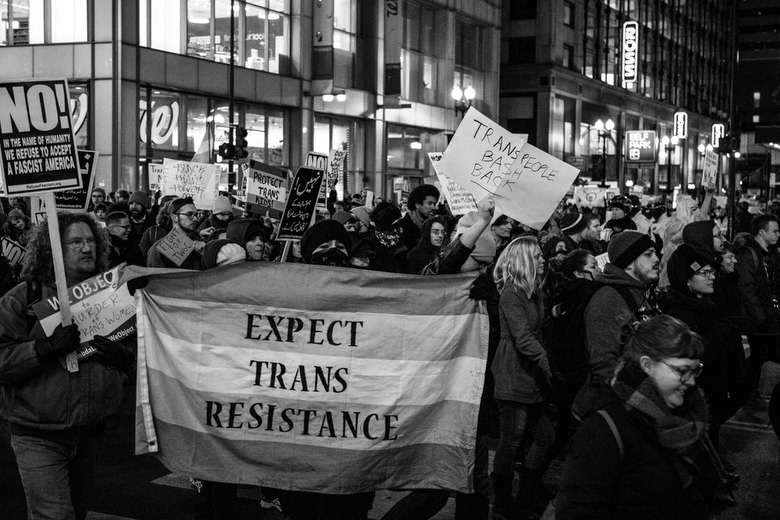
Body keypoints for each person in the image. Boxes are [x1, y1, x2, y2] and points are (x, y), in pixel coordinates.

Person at [0, 213, 134, 520]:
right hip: (38, 435)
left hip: (91, 434)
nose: (86, 248)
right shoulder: (23, 299)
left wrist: (122, 357)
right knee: (55, 516)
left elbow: (135, 354)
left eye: (90, 241)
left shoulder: (111, 297)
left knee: (77, 513)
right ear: (53, 249)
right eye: (75, 241)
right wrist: (44, 349)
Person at [556, 316, 735, 520]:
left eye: (696, 370)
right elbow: (576, 510)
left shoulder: (683, 416)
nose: (692, 382)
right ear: (647, 365)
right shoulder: (605, 428)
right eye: (683, 371)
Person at [490, 236, 556, 520]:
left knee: (545, 435)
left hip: (532, 372)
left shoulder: (533, 290)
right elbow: (522, 336)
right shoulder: (512, 293)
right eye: (539, 256)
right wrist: (546, 361)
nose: (544, 260)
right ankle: (503, 502)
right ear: (526, 259)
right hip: (515, 370)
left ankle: (528, 492)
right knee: (512, 440)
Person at [661, 244, 747, 454]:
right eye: (704, 273)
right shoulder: (680, 315)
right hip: (697, 397)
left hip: (714, 395)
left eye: (712, 272)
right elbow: (696, 354)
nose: (712, 277)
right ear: (687, 280)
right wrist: (725, 330)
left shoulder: (706, 305)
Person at [572, 231, 661, 421]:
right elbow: (603, 364)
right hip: (621, 408)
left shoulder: (638, 294)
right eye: (648, 254)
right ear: (628, 261)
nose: (657, 259)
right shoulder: (608, 299)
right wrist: (631, 407)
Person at [735, 213, 780, 392]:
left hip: (770, 317)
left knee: (764, 357)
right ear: (762, 232)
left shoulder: (772, 254)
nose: (778, 234)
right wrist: (761, 318)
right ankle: (750, 393)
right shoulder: (748, 255)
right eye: (775, 231)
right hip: (759, 321)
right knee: (760, 358)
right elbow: (747, 289)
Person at [147, 198, 205, 270]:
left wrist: (206, 253)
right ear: (175, 217)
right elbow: (158, 278)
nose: (195, 219)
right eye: (189, 214)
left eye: (196, 215)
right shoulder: (159, 250)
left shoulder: (201, 245)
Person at [398, 184, 440, 251]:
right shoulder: (402, 228)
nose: (433, 207)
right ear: (418, 204)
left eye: (434, 204)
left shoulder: (434, 226)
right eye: (430, 203)